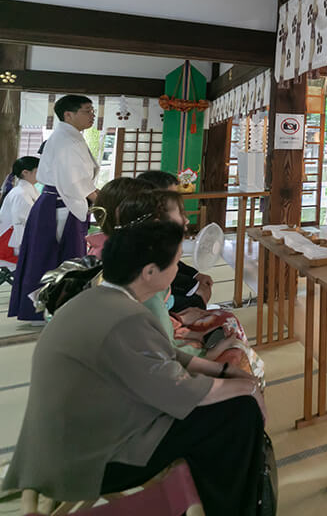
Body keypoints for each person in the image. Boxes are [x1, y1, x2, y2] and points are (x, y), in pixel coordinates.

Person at [1, 220, 265, 515]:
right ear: (150, 272)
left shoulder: (101, 298)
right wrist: (243, 386)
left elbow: (164, 355)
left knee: (227, 404)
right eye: (177, 261)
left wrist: (223, 371)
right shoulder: (125, 317)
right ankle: (235, 509)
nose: (180, 268)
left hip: (66, 440)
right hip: (90, 455)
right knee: (239, 412)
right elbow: (179, 391)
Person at [115, 190, 260, 378]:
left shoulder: (140, 262)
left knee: (225, 322)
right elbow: (168, 351)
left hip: (172, 325)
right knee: (235, 348)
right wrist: (210, 353)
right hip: (166, 369)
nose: (186, 220)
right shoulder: (148, 284)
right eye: (180, 213)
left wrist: (181, 320)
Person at [9, 95, 99, 321]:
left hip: (61, 203)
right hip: (60, 205)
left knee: (57, 259)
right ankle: (51, 309)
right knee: (58, 260)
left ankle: (57, 308)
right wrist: (102, 200)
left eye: (92, 111)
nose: (92, 116)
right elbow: (75, 179)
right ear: (68, 115)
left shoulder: (69, 137)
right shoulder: (66, 140)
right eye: (87, 111)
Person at [137, 169, 214, 308]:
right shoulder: (142, 245)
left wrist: (195, 276)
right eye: (172, 205)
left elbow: (174, 265)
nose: (186, 221)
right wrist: (196, 295)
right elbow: (161, 301)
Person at [0, 156, 39, 264]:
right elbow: (20, 224)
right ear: (25, 172)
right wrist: (25, 247)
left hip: (13, 238)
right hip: (9, 244)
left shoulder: (24, 190)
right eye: (37, 171)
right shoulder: (20, 194)